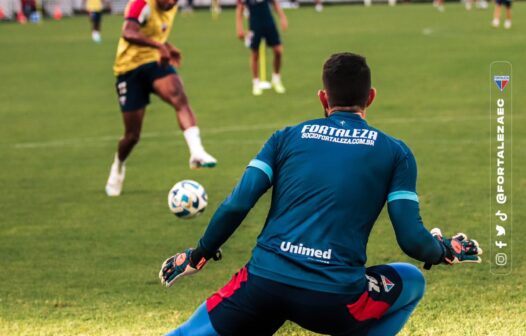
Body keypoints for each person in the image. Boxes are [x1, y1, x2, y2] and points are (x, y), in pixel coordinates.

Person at [159, 53, 483, 335]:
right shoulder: (396, 153)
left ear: (322, 98)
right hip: (335, 299)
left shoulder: (284, 138)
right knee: (411, 281)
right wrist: (441, 249)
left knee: (189, 332)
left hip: (264, 283)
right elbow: (412, 239)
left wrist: (200, 253)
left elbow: (237, 203)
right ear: (370, 97)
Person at [105, 0, 217, 197]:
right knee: (132, 136)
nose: (172, 3)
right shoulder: (141, 4)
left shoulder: (171, 6)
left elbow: (154, 32)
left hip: (154, 62)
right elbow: (128, 33)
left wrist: (167, 46)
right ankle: (118, 165)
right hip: (128, 70)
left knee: (179, 96)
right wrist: (160, 45)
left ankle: (196, 151)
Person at [236, 0, 288, 96]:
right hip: (254, 24)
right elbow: (240, 8)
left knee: (278, 51)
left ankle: (276, 79)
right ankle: (256, 83)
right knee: (255, 53)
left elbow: (274, 2)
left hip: (269, 21)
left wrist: (282, 17)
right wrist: (239, 28)